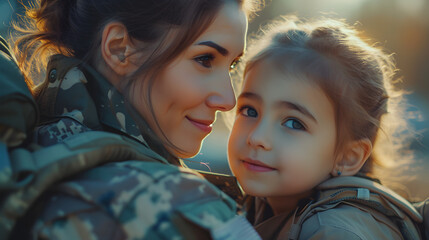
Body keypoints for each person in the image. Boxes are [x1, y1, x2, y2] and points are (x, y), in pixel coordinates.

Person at [8, 0, 263, 239]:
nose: (229, 100)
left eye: (231, 66)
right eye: (204, 59)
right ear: (119, 49)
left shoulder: (26, 153)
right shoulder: (179, 208)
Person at [227, 16, 423, 239]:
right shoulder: (254, 207)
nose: (257, 137)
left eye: (294, 123)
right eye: (250, 111)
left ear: (347, 157)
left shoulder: (333, 232)